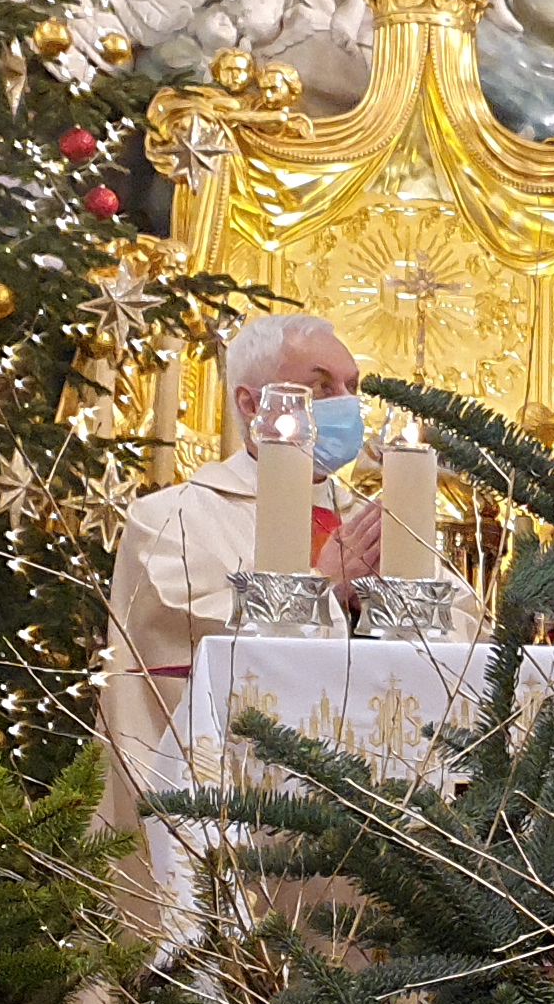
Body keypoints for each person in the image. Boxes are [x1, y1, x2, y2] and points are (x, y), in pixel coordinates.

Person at [94, 313, 387, 859]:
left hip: (365, 810)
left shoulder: (371, 521)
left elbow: (460, 627)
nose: (346, 404)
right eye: (322, 387)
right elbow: (187, 632)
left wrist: (383, 603)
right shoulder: (172, 518)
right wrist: (324, 587)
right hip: (229, 808)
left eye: (352, 387)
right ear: (252, 405)